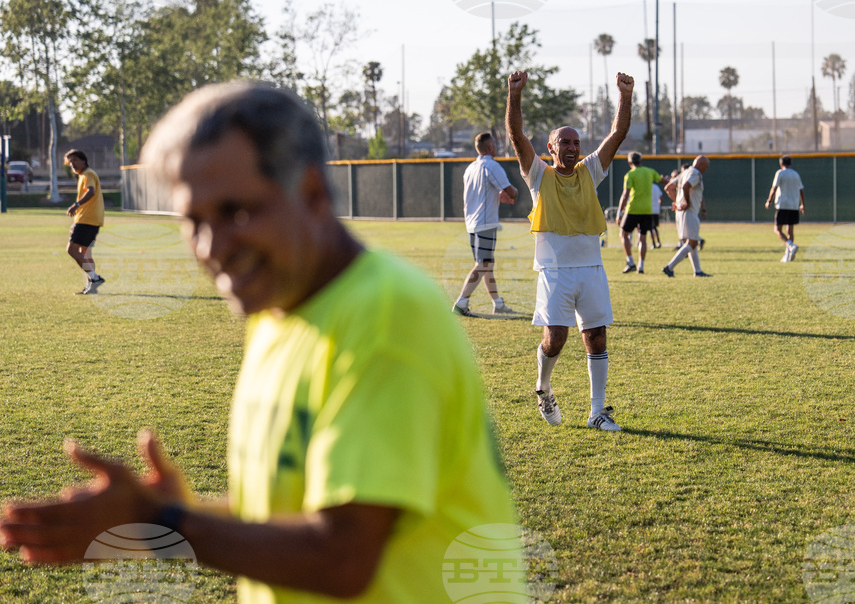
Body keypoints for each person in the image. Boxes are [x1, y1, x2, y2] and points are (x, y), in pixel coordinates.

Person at [0, 82, 519, 603]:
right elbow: (303, 512)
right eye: (193, 221)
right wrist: (187, 513)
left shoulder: (387, 317)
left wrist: (164, 521)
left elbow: (343, 557)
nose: (212, 247)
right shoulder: (279, 310)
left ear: (312, 193)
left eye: (236, 212)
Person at [506, 69, 633, 432]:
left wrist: (624, 97)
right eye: (565, 142)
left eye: (576, 142)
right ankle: (543, 387)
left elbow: (617, 134)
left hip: (591, 270)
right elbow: (515, 134)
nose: (573, 147)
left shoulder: (589, 171)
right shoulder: (538, 176)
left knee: (596, 336)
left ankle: (597, 412)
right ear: (551, 148)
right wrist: (514, 95)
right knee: (556, 338)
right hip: (555, 273)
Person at [453, 131, 519, 316]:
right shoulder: (491, 166)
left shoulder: (470, 168)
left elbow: (481, 194)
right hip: (485, 223)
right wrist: (514, 193)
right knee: (483, 264)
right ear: (490, 148)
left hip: (472, 223)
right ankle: (461, 302)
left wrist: (498, 197)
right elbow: (510, 191)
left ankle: (497, 304)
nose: (496, 148)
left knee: (486, 264)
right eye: (495, 145)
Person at [615, 151, 668, 274]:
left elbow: (625, 194)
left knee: (623, 234)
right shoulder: (650, 171)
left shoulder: (630, 174)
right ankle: (641, 266)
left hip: (633, 209)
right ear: (641, 161)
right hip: (647, 210)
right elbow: (663, 180)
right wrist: (672, 180)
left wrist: (619, 212)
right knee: (642, 237)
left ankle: (630, 262)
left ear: (629, 163)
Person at [662, 155, 711, 278]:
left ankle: (698, 271)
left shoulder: (685, 172)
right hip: (690, 212)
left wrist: (678, 203)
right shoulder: (696, 173)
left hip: (681, 212)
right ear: (700, 165)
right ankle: (669, 267)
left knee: (691, 242)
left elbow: (668, 188)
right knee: (693, 243)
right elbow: (685, 186)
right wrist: (687, 203)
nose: (706, 169)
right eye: (706, 166)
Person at [64, 150, 106, 294]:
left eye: (75, 160)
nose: (72, 164)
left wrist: (76, 204)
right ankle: (92, 286)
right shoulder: (84, 175)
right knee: (85, 253)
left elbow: (91, 191)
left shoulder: (88, 174)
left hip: (87, 219)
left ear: (83, 160)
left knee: (71, 249)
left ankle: (95, 278)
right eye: (70, 162)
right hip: (90, 219)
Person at [763, 155, 805, 262]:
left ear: (781, 164)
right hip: (794, 205)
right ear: (790, 163)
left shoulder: (780, 173)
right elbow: (801, 190)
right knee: (790, 230)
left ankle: (790, 246)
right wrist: (802, 204)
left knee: (777, 229)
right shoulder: (796, 174)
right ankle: (788, 255)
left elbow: (774, 188)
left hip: (782, 204)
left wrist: (769, 201)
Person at [650, 180, 664, 249]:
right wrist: (659, 206)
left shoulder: (647, 187)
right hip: (656, 210)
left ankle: (654, 244)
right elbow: (661, 197)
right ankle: (658, 241)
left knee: (650, 228)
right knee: (655, 228)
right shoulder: (656, 187)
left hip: (649, 210)